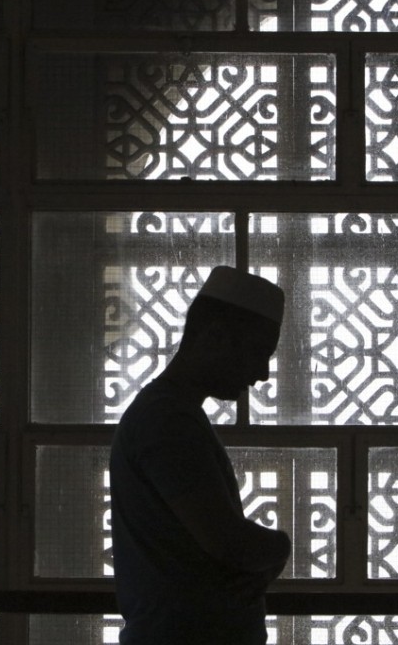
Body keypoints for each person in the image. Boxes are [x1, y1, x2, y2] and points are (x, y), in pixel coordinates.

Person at [109, 266, 291, 645]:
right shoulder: (168, 420)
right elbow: (229, 543)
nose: (262, 373)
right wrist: (281, 546)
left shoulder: (170, 413)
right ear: (215, 336)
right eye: (257, 353)